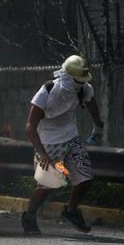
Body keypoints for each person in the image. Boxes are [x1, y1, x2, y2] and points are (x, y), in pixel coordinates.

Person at [21, 55, 104, 234]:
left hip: (72, 138)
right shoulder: (48, 90)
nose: (80, 84)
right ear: (67, 76)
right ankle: (29, 216)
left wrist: (98, 124)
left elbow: (91, 104)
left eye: (82, 80)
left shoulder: (83, 88)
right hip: (49, 144)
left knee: (85, 178)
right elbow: (30, 126)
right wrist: (42, 153)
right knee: (48, 186)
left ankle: (71, 211)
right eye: (77, 80)